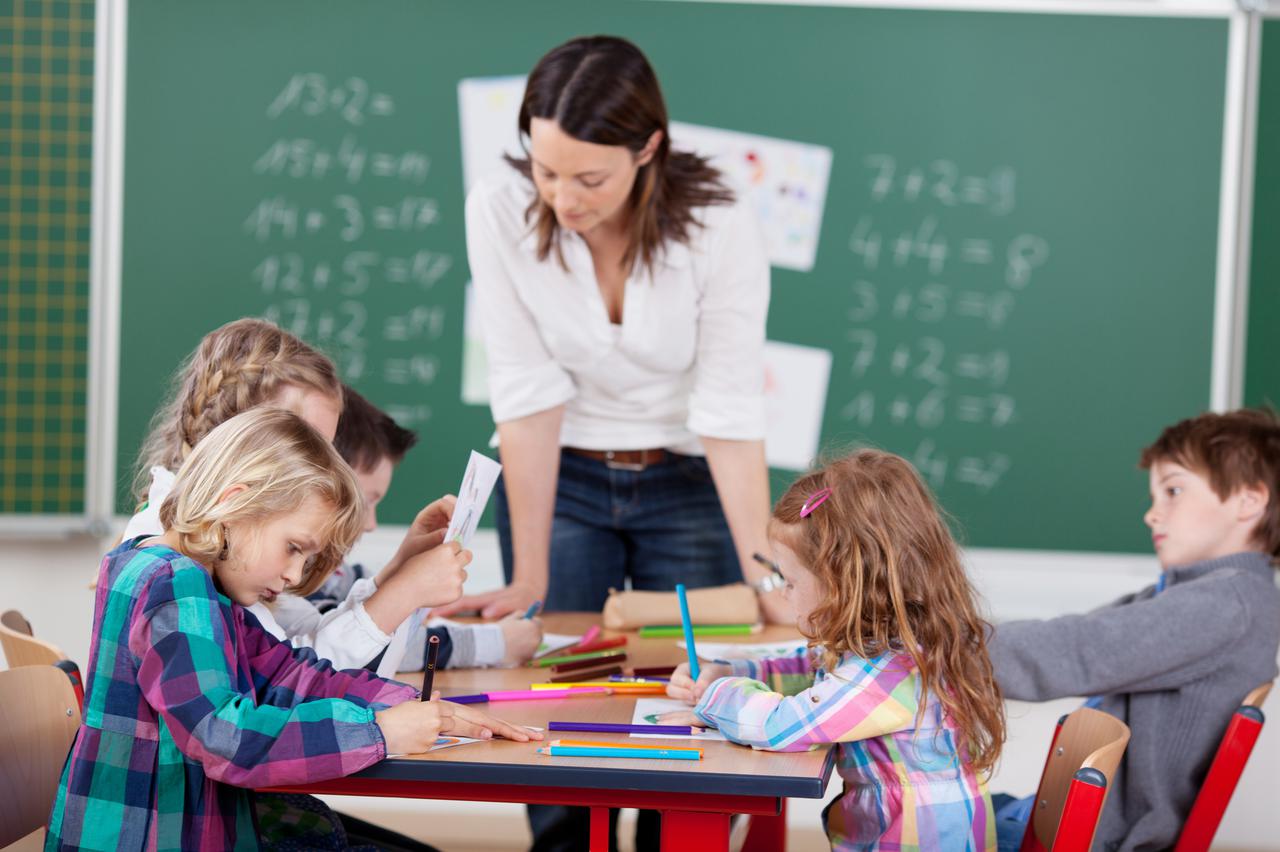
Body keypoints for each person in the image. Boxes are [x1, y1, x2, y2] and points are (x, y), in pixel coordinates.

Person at [47, 408, 538, 851]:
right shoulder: (173, 582)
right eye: (294, 547)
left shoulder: (190, 581)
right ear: (236, 503)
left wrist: (406, 705)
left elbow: (291, 676)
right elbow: (222, 735)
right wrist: (378, 731)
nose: (295, 576)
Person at [439, 34, 790, 626]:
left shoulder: (720, 222)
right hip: (563, 477)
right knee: (560, 663)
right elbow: (525, 390)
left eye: (590, 179)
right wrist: (529, 577)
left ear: (649, 147)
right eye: (546, 170)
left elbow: (729, 406)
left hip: (686, 477)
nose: (562, 199)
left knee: (691, 668)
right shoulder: (498, 207)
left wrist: (769, 578)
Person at [663, 449, 1003, 850]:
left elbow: (779, 727)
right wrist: (728, 670)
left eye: (789, 582)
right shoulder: (893, 642)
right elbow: (811, 668)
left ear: (840, 584)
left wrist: (714, 696)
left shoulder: (892, 672)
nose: (784, 595)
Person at [988, 409, 1280, 851]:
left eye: (1174, 490)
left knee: (904, 826)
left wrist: (936, 649)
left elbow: (1077, 651)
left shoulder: (1225, 604)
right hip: (1074, 823)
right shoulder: (1205, 597)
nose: (1152, 515)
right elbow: (1087, 632)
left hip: (1095, 838)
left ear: (1248, 500)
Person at [269, 384, 543, 670]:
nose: (370, 524)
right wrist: (491, 643)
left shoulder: (327, 575)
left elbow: (337, 635)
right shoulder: (283, 576)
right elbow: (338, 658)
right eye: (362, 503)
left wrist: (403, 568)